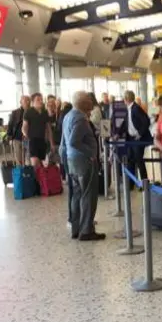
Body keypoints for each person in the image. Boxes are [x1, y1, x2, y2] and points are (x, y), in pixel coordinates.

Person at [59, 91, 105, 241]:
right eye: (87, 99)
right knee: (88, 196)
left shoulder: (68, 116)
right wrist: (91, 154)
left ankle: (76, 228)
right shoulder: (80, 118)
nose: (91, 101)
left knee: (77, 195)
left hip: (72, 161)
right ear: (81, 102)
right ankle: (86, 230)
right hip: (84, 162)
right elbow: (73, 141)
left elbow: (64, 143)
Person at [123, 90, 151, 182]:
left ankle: (144, 183)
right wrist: (117, 134)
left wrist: (140, 133)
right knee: (131, 160)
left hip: (138, 139)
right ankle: (131, 183)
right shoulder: (129, 108)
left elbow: (146, 121)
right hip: (131, 139)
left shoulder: (136, 108)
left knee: (139, 161)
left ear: (126, 99)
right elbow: (125, 123)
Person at [22, 93, 53, 167]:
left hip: (42, 140)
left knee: (41, 163)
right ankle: (35, 178)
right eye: (38, 100)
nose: (41, 101)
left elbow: (49, 129)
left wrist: (52, 143)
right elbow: (24, 127)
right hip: (32, 140)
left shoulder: (44, 112)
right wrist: (27, 136)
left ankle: (39, 178)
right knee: (35, 163)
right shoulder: (28, 112)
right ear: (33, 102)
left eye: (41, 99)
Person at [7, 96, 30, 165]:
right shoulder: (15, 112)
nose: (27, 102)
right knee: (19, 160)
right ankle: (20, 174)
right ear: (21, 102)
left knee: (28, 159)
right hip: (17, 139)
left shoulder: (31, 112)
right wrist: (10, 138)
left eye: (28, 101)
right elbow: (10, 125)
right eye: (25, 101)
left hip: (28, 139)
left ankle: (28, 173)